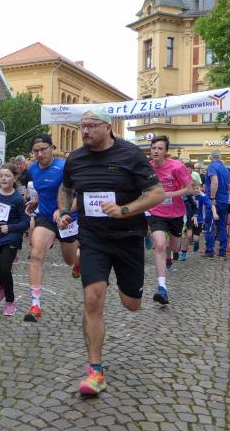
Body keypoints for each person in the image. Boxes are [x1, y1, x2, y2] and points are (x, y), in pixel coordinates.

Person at [58, 107, 164, 396]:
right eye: (82, 126)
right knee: (93, 300)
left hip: (128, 238)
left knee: (132, 304)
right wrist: (65, 210)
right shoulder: (76, 159)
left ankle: (118, 282)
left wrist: (124, 210)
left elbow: (157, 193)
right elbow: (66, 189)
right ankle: (95, 372)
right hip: (93, 238)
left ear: (108, 127)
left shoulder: (131, 154)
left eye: (92, 125)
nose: (85, 131)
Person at [22, 133, 79, 322]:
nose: (39, 154)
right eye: (35, 151)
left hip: (68, 219)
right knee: (36, 254)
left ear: (52, 148)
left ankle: (78, 261)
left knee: (70, 260)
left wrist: (63, 210)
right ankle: (35, 304)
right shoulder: (33, 169)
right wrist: (35, 202)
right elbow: (42, 190)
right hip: (46, 217)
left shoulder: (64, 168)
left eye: (43, 150)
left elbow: (79, 196)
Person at [147, 136, 191, 304]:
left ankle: (171, 255)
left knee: (174, 247)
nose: (156, 151)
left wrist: (167, 194)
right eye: (154, 148)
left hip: (176, 214)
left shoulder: (177, 167)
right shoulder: (147, 167)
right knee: (159, 244)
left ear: (166, 152)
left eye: (160, 148)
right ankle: (162, 288)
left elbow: (189, 189)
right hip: (157, 213)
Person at [0, 163, 29, 316]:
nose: (3, 178)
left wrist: (10, 228)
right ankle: (1, 285)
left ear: (14, 178)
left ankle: (10, 301)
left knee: (4, 268)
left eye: (7, 176)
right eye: (1, 175)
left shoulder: (18, 199)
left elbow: (26, 223)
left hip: (11, 238)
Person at [203, 149, 230, 258]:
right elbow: (228, 184)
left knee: (210, 225)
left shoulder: (212, 166)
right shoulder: (225, 168)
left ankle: (209, 251)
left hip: (215, 199)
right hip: (224, 199)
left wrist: (212, 197)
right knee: (222, 225)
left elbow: (214, 182)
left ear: (211, 157)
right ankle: (222, 251)